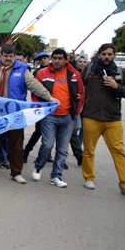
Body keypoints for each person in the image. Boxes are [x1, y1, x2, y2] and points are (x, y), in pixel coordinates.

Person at [0, 44, 56, 183]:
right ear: (0, 55)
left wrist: (49, 97)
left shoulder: (22, 69)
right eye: (5, 56)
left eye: (11, 56)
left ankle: (16, 172)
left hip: (15, 113)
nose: (8, 59)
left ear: (14, 56)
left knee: (16, 144)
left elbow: (34, 85)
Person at [30, 48, 84, 188]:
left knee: (63, 149)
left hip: (68, 117)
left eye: (60, 58)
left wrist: (76, 111)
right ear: (51, 59)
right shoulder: (42, 73)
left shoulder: (74, 74)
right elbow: (35, 92)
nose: (57, 61)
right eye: (55, 58)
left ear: (66, 60)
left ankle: (56, 176)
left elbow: (80, 94)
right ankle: (38, 167)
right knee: (47, 145)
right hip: (49, 117)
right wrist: (39, 110)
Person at [80, 43, 125, 195]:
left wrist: (116, 86)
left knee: (118, 150)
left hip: (113, 118)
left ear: (114, 56)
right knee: (89, 150)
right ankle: (88, 178)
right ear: (99, 55)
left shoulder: (122, 72)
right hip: (91, 116)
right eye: (104, 54)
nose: (106, 57)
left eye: (109, 54)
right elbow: (79, 86)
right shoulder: (88, 70)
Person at [24, 52, 51, 161]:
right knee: (39, 131)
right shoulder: (38, 72)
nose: (43, 60)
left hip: (52, 105)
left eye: (45, 58)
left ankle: (47, 154)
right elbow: (35, 89)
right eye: (41, 59)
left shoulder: (55, 71)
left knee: (51, 132)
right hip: (42, 105)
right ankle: (26, 151)